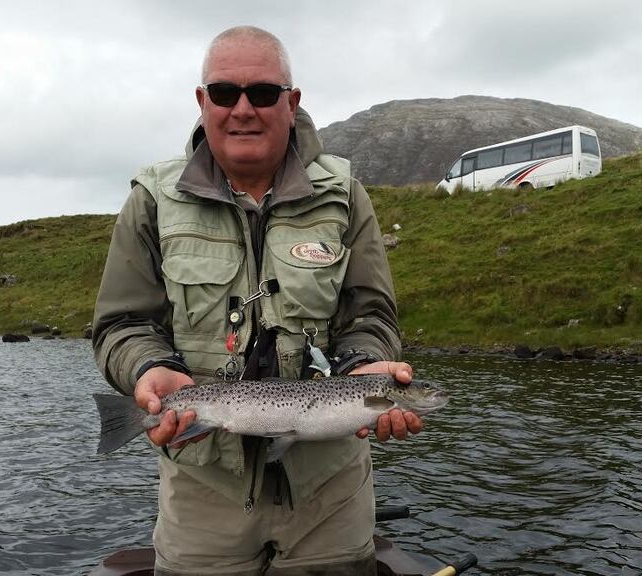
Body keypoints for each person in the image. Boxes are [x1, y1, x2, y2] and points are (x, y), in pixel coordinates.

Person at [92, 25, 423, 576]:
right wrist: (148, 368)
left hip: (331, 492)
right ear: (203, 102)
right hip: (201, 489)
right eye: (224, 93)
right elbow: (121, 324)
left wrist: (364, 363)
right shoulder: (150, 200)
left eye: (263, 93)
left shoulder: (345, 195)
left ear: (292, 103)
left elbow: (372, 315)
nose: (243, 108)